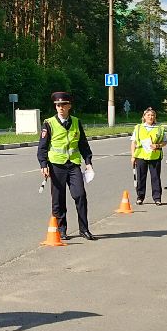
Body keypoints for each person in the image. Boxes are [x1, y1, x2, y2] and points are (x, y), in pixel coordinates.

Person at [38, 91, 96, 240]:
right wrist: (43, 164)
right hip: (56, 165)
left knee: (80, 195)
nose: (60, 107)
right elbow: (42, 147)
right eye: (58, 105)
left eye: (63, 104)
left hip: (73, 164)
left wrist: (88, 163)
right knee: (58, 199)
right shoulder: (49, 123)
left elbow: (83, 145)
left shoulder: (76, 122)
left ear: (69, 105)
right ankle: (61, 230)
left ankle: (84, 229)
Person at [130, 106, 166, 205]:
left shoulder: (159, 128)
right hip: (141, 156)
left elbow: (164, 142)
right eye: (148, 115)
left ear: (155, 117)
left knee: (155, 177)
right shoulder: (138, 128)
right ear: (144, 117)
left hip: (154, 156)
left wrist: (158, 145)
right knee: (141, 177)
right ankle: (140, 197)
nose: (150, 117)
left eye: (152, 115)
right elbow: (133, 142)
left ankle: (157, 198)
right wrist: (133, 156)